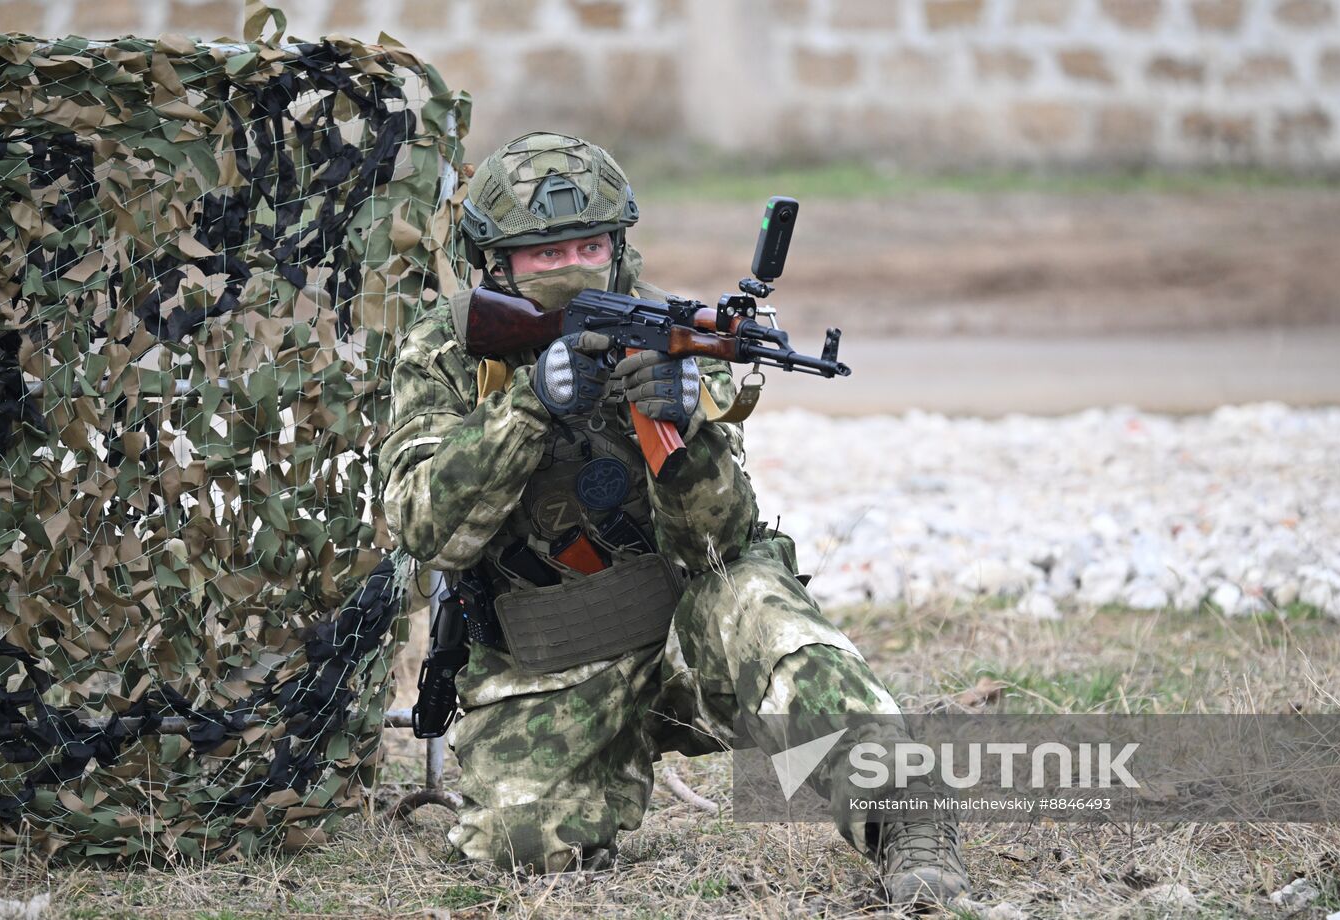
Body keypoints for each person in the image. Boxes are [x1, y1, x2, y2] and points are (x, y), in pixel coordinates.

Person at [377, 131, 969, 910]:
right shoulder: (450, 350)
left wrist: (683, 432)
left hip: (690, 634)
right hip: (547, 657)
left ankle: (908, 823)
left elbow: (718, 546)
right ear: (497, 264)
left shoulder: (671, 341)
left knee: (761, 604)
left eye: (588, 246)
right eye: (543, 255)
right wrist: (529, 407)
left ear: (620, 248)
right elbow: (422, 527)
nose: (571, 268)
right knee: (522, 854)